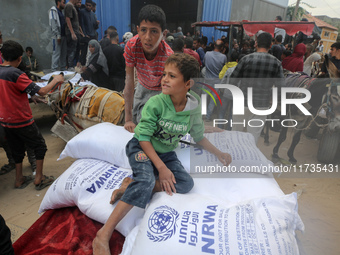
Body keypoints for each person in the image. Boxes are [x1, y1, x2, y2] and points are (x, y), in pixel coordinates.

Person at [92, 53, 232, 255]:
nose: (164, 79)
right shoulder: (156, 103)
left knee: (186, 183)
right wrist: (161, 168)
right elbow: (143, 138)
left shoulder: (193, 109)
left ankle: (131, 185)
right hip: (141, 148)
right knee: (147, 179)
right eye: (164, 74)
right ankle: (103, 234)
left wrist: (218, 153)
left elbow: (198, 135)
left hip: (166, 152)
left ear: (188, 83)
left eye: (172, 76)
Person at [0, 40, 64, 189]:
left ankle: (19, 179)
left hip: (5, 121)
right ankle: (39, 178)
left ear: (2, 55)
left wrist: (30, 96)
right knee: (40, 146)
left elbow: (10, 91)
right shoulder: (16, 73)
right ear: (20, 58)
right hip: (21, 119)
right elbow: (42, 91)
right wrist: (56, 80)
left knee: (17, 149)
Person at [123, 4, 173, 133]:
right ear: (138, 30)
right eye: (144, 30)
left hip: (160, 92)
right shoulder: (132, 46)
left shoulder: (168, 57)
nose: (148, 37)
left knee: (151, 125)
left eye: (154, 31)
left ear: (164, 34)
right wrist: (128, 119)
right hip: (142, 87)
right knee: (134, 121)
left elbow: (169, 91)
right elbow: (129, 82)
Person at [229, 32, 284, 143]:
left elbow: (232, 81)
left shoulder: (245, 59)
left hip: (242, 103)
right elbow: (281, 87)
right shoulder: (276, 63)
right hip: (261, 106)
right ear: (270, 46)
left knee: (235, 135)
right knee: (252, 138)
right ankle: (248, 158)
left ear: (256, 44)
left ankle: (233, 158)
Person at [204, 39, 227, 121]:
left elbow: (204, 64)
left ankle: (200, 116)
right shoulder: (223, 57)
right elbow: (224, 69)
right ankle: (208, 117)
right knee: (212, 100)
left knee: (204, 98)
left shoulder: (207, 54)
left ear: (214, 45)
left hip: (207, 80)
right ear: (222, 48)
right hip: (217, 81)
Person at [65, 0, 84, 69]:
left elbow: (76, 22)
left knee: (75, 51)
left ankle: (72, 67)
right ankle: (70, 68)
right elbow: (68, 19)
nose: (79, 1)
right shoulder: (69, 5)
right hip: (72, 34)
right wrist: (72, 33)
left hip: (76, 33)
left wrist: (81, 33)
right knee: (71, 52)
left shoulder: (73, 7)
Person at [49, 0, 67, 71]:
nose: (64, 4)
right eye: (63, 3)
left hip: (63, 36)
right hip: (57, 37)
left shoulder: (61, 12)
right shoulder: (53, 11)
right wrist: (58, 35)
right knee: (56, 54)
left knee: (63, 54)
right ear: (58, 2)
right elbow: (53, 24)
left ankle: (63, 69)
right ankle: (54, 70)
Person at [79, 0, 98, 66]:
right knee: (84, 52)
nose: (88, 7)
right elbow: (81, 24)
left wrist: (97, 24)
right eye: (87, 5)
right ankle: (83, 65)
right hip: (86, 36)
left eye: (89, 5)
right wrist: (84, 34)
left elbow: (94, 27)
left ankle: (91, 65)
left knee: (92, 52)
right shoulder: (82, 12)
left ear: (91, 6)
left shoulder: (93, 14)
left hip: (92, 35)